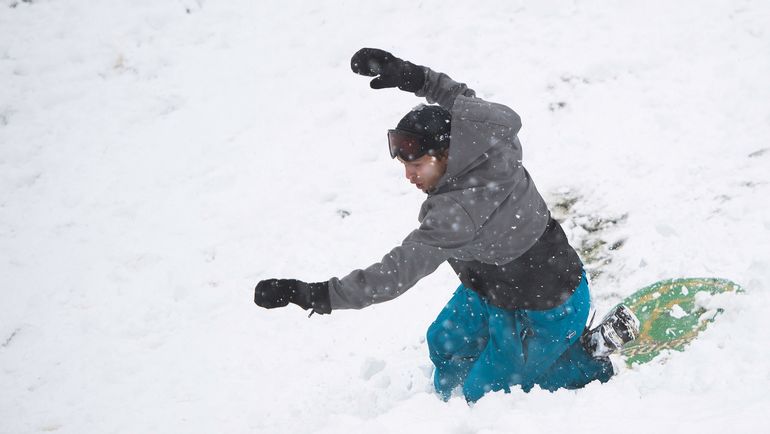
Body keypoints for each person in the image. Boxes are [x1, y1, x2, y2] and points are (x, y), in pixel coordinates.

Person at [254, 48, 640, 402]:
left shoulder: (457, 215)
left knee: (482, 394)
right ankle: (477, 384)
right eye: (404, 166)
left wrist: (316, 295)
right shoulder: (485, 137)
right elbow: (460, 98)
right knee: (443, 343)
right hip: (493, 290)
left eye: (416, 165)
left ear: (445, 155)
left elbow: (394, 273)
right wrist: (412, 76)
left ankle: (587, 357)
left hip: (546, 308)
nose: (408, 175)